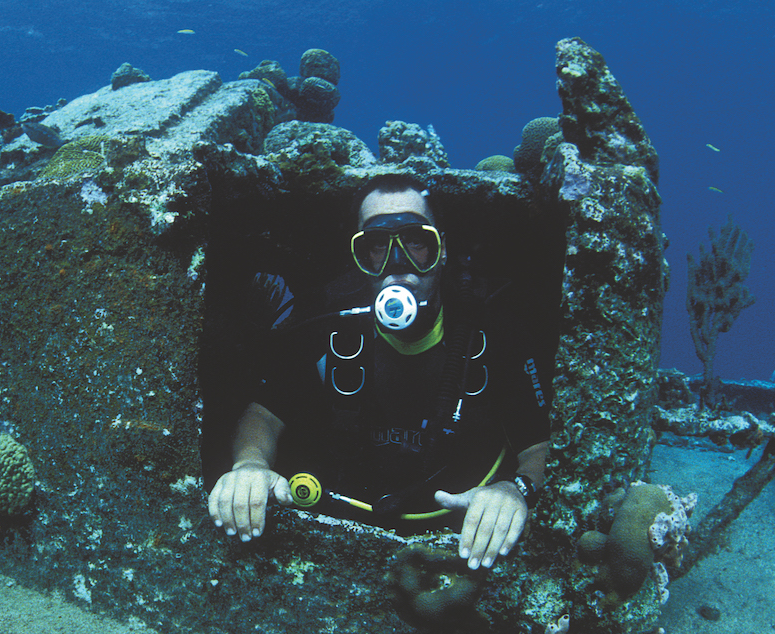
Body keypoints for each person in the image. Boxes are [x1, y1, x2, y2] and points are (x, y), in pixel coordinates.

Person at [208, 173, 552, 571]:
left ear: (441, 250)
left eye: (417, 242)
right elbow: (263, 414)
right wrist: (250, 466)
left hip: (455, 539)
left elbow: (539, 446)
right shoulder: (326, 321)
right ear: (360, 257)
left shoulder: (494, 329)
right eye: (376, 247)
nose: (398, 265)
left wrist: (514, 490)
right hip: (339, 526)